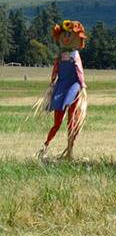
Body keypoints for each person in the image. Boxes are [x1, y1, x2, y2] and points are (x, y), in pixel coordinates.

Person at [38, 20, 88, 161]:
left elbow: (79, 71)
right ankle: (45, 147)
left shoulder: (75, 55)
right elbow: (55, 70)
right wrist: (52, 83)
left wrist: (82, 86)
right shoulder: (60, 56)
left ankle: (70, 151)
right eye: (64, 35)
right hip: (61, 86)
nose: (66, 38)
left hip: (74, 86)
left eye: (70, 35)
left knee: (72, 119)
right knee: (57, 122)